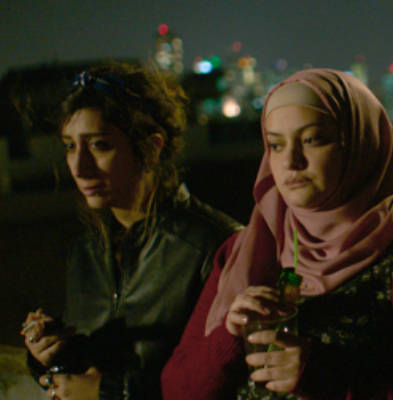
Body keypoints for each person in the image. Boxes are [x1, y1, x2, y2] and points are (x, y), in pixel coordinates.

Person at [161, 68, 393, 399]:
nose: (291, 161)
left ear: (359, 143)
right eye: (275, 145)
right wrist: (230, 335)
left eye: (311, 140)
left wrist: (325, 376)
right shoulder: (246, 249)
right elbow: (177, 391)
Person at [22, 61, 242, 400]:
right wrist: (48, 354)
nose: (79, 167)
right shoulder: (87, 251)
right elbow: (87, 370)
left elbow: (223, 379)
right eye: (69, 146)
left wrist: (109, 392)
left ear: (152, 147)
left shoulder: (215, 245)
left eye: (98, 145)